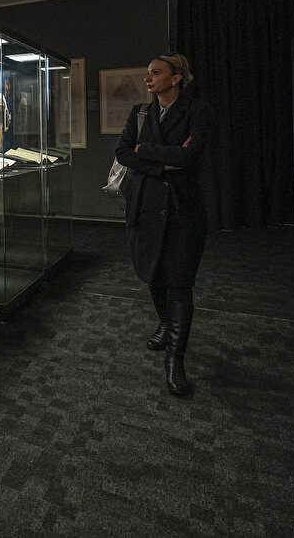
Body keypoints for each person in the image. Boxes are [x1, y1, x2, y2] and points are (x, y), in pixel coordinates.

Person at [114, 53, 212, 397]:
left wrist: (146, 149)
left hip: (183, 209)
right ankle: (166, 325)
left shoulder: (198, 111)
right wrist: (162, 162)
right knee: (153, 274)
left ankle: (175, 360)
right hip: (144, 206)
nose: (148, 78)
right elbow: (123, 153)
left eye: (156, 73)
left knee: (179, 282)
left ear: (176, 78)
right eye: (147, 73)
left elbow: (190, 156)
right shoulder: (140, 112)